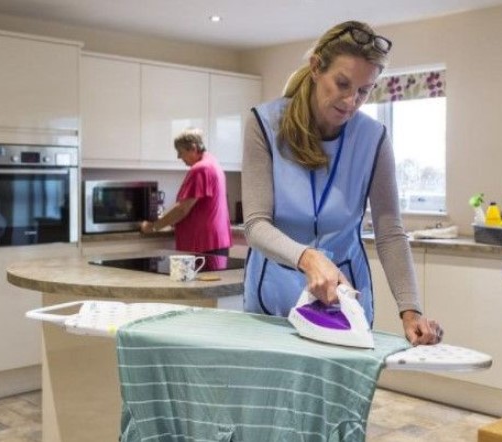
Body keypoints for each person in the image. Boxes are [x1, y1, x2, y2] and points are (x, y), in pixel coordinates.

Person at [242, 20, 443, 345]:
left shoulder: (373, 138)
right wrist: (310, 258)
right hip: (272, 294)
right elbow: (255, 225)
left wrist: (411, 311)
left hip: (344, 296)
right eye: (342, 84)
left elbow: (390, 232)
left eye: (364, 91)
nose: (351, 101)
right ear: (316, 67)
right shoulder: (264, 125)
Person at [140, 128, 232, 255]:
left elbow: (182, 209)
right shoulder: (212, 163)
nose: (178, 157)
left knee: (202, 276)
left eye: (180, 152)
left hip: (203, 244)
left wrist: (153, 227)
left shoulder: (200, 169)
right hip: (214, 241)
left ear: (193, 148)